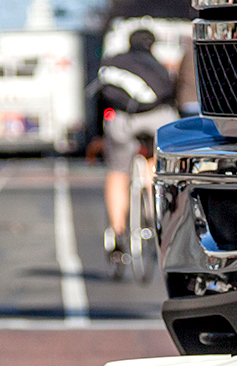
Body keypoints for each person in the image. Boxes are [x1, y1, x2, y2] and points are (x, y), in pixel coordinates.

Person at [91, 29, 177, 259]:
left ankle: (118, 234)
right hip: (156, 119)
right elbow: (171, 96)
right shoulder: (158, 66)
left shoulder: (114, 63)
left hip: (122, 121)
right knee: (154, 162)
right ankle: (154, 215)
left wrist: (98, 135)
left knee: (118, 172)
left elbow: (101, 97)